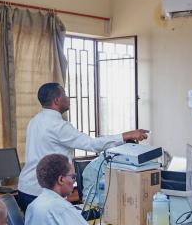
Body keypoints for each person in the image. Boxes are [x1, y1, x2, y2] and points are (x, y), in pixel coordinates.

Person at [17, 82, 149, 209]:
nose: (68, 99)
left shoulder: (34, 121)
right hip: (40, 192)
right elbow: (93, 144)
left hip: (26, 187)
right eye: (65, 95)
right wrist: (126, 135)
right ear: (57, 100)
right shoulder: (58, 126)